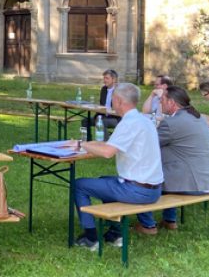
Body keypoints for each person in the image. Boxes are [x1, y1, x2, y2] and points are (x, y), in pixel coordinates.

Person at [66, 83, 163, 250]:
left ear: (118, 101)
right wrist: (89, 144)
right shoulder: (145, 120)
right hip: (154, 190)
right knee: (105, 180)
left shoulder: (128, 123)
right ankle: (114, 233)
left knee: (79, 185)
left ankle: (91, 238)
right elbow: (110, 144)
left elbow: (107, 152)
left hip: (137, 191)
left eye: (113, 100)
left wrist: (81, 144)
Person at [136, 86, 209, 233]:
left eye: (162, 100)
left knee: (140, 180)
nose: (160, 104)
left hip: (194, 183)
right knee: (169, 170)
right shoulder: (198, 117)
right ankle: (170, 220)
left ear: (171, 102)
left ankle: (148, 225)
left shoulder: (171, 123)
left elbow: (148, 146)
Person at [84, 69, 121, 137]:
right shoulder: (104, 89)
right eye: (104, 78)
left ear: (114, 79)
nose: (104, 80)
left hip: (115, 118)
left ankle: (106, 143)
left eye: (107, 78)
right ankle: (88, 142)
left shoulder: (120, 90)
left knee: (101, 122)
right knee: (85, 121)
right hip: (102, 116)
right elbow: (102, 105)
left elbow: (121, 108)